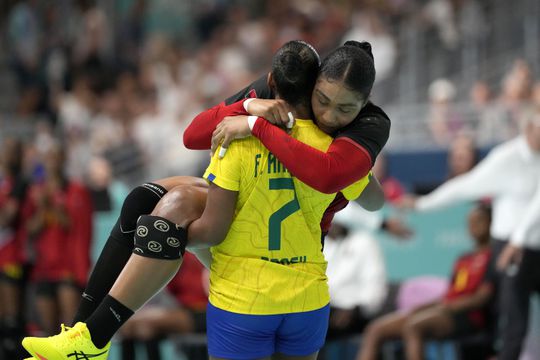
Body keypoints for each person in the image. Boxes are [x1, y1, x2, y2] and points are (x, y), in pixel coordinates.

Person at [22, 40, 376, 360]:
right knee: (143, 200)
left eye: (343, 109)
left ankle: (92, 337)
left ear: (272, 82)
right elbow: (369, 198)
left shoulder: (239, 136)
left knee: (167, 213)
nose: (330, 115)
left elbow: (213, 230)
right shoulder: (340, 152)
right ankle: (84, 333)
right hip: (304, 293)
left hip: (246, 293)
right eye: (324, 102)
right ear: (313, 85)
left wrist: (162, 240)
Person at [399, 106, 540, 360]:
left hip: (531, 248)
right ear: (529, 128)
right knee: (513, 322)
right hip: (511, 251)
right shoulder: (506, 159)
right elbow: (465, 186)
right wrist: (423, 204)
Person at [357, 203, 494, 360]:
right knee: (375, 329)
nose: (473, 227)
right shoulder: (464, 258)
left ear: (491, 223)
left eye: (479, 221)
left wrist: (448, 306)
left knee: (414, 327)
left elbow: (483, 297)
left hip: (468, 316)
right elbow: (449, 294)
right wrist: (423, 308)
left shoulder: (494, 257)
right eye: (470, 223)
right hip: (444, 310)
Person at [22, 144, 93, 335]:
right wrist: (43, 207)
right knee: (48, 332)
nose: (52, 161)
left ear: (63, 159)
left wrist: (52, 204)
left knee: (71, 331)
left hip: (67, 268)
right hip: (44, 268)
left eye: (56, 156)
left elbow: (74, 226)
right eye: (48, 157)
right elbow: (30, 228)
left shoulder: (76, 190)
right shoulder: (36, 192)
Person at [119, 252, 208, 360]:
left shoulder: (207, 255)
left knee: (147, 325)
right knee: (128, 326)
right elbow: (170, 288)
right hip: (184, 310)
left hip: (204, 312)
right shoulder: (183, 257)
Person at [324, 201, 388, 340]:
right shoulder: (321, 245)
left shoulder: (364, 243)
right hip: (324, 309)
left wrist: (355, 310)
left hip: (356, 312)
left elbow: (374, 286)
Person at [0, 138, 29, 359]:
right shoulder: (5, 183)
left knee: (12, 320)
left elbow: (7, 219)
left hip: (12, 257)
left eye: (12, 151)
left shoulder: (20, 183)